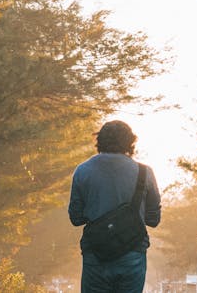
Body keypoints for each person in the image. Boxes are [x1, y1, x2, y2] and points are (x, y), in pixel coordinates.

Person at [68, 120, 162, 293]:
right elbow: (153, 219)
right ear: (130, 142)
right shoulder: (144, 173)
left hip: (95, 254)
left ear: (99, 141)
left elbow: (75, 218)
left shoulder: (82, 170)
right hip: (132, 253)